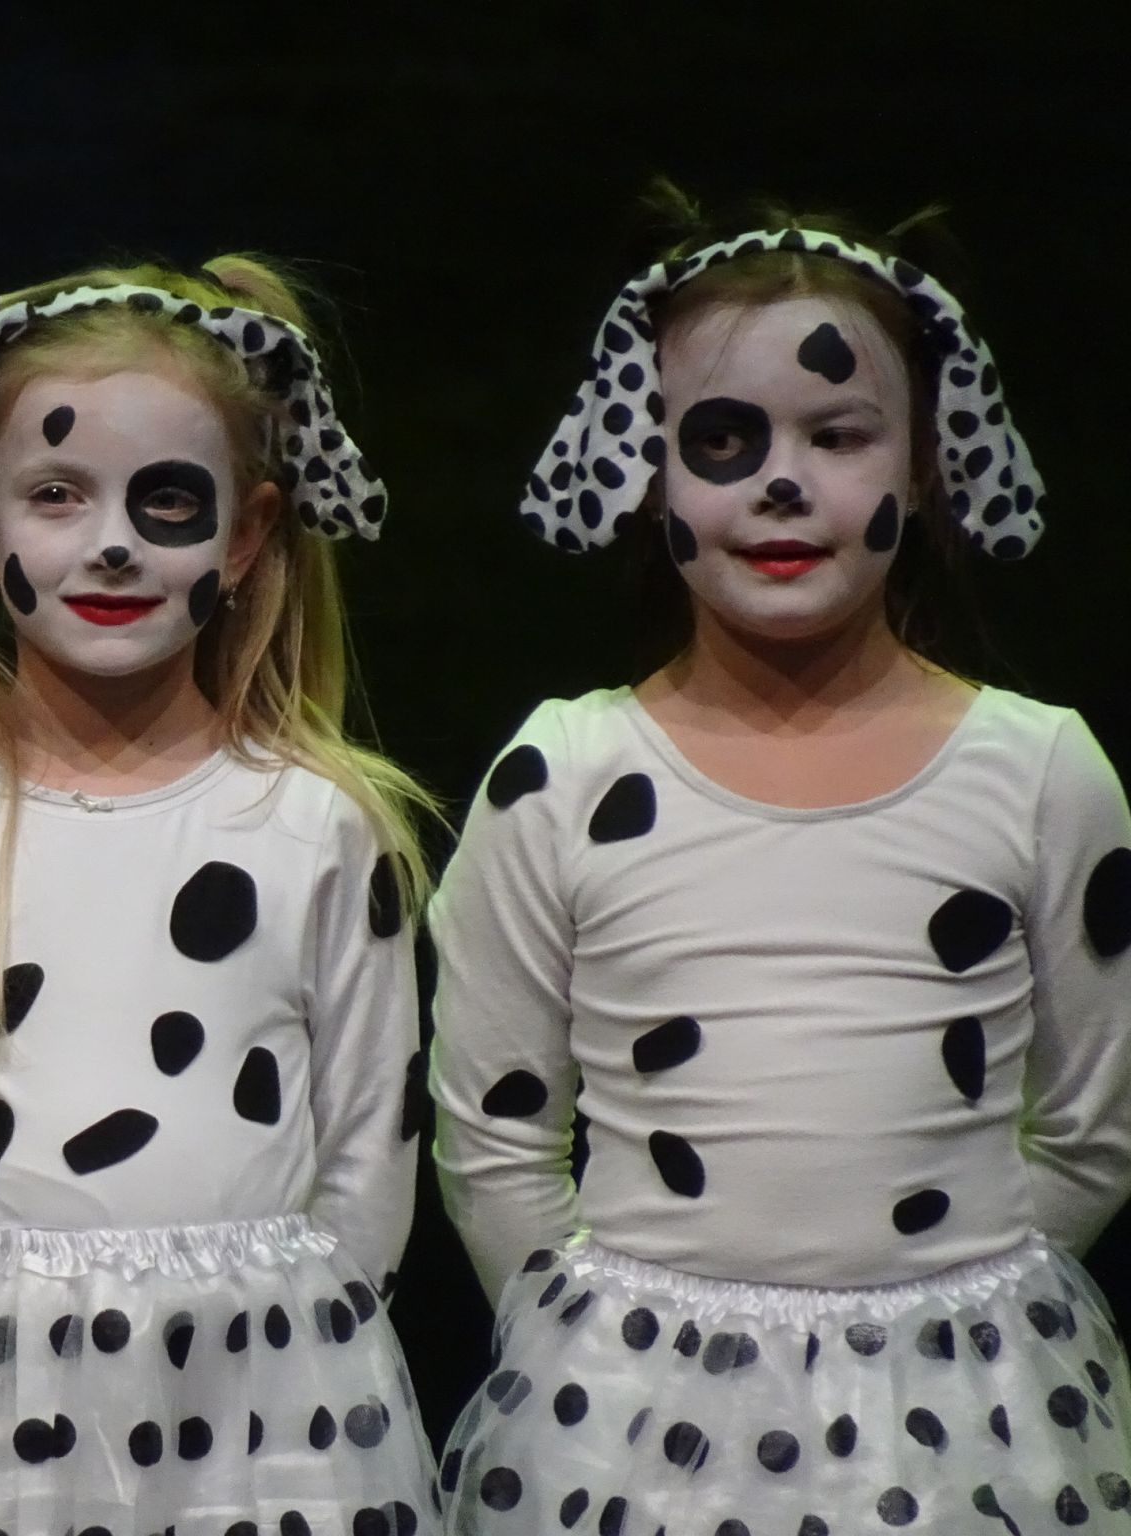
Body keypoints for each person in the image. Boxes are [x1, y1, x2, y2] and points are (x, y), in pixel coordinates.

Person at [431, 199, 1131, 1532]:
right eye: (725, 438)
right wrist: (607, 1362)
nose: (782, 481)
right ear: (649, 465)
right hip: (628, 1429)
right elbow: (494, 1131)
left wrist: (938, 1316)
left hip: (962, 1427)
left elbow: (1096, 1129)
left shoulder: (1042, 772)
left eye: (838, 433)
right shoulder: (563, 773)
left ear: (921, 463)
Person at [0, 263, 442, 1535]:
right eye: (53, 493)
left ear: (246, 536)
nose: (109, 542)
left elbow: (368, 1160)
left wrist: (284, 1359)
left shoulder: (316, 825)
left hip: (260, 1417)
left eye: (164, 502)